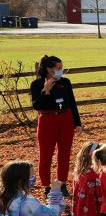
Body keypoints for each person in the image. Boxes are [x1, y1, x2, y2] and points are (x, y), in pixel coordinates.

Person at [31, 54, 82, 193]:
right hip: (47, 120)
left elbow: (72, 103)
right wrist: (45, 91)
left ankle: (62, 183)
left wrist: (77, 122)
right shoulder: (37, 84)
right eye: (59, 68)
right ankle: (47, 186)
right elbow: (36, 105)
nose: (61, 70)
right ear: (49, 69)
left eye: (62, 67)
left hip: (65, 118)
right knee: (46, 155)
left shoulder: (65, 82)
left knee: (64, 154)